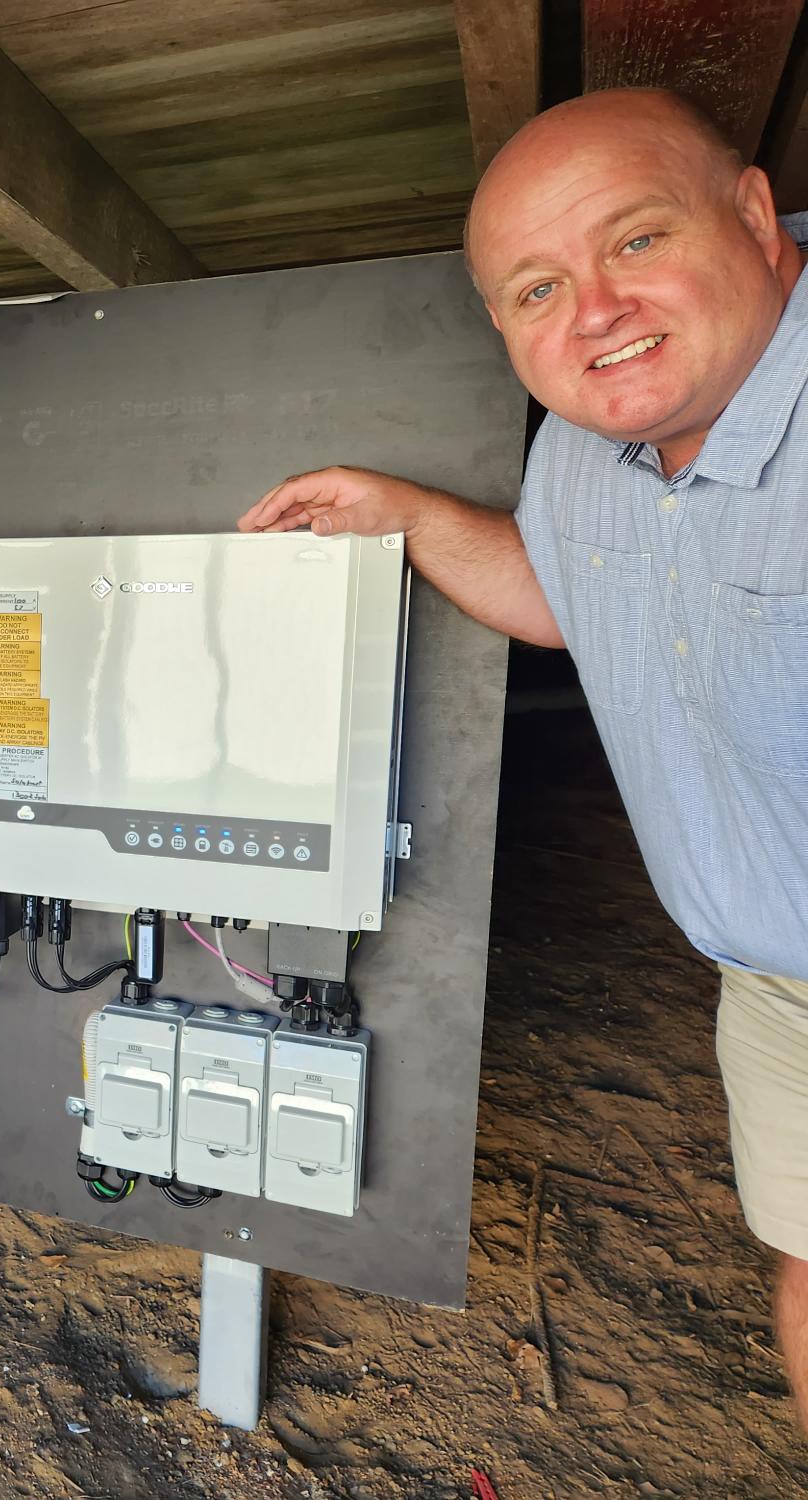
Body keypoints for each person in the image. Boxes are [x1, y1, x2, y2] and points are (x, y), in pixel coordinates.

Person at [238, 87, 808, 1432]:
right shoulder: (589, 455)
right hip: (776, 991)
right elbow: (580, 599)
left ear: (753, 217)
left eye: (636, 241)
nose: (594, 311)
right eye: (538, 287)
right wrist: (406, 516)